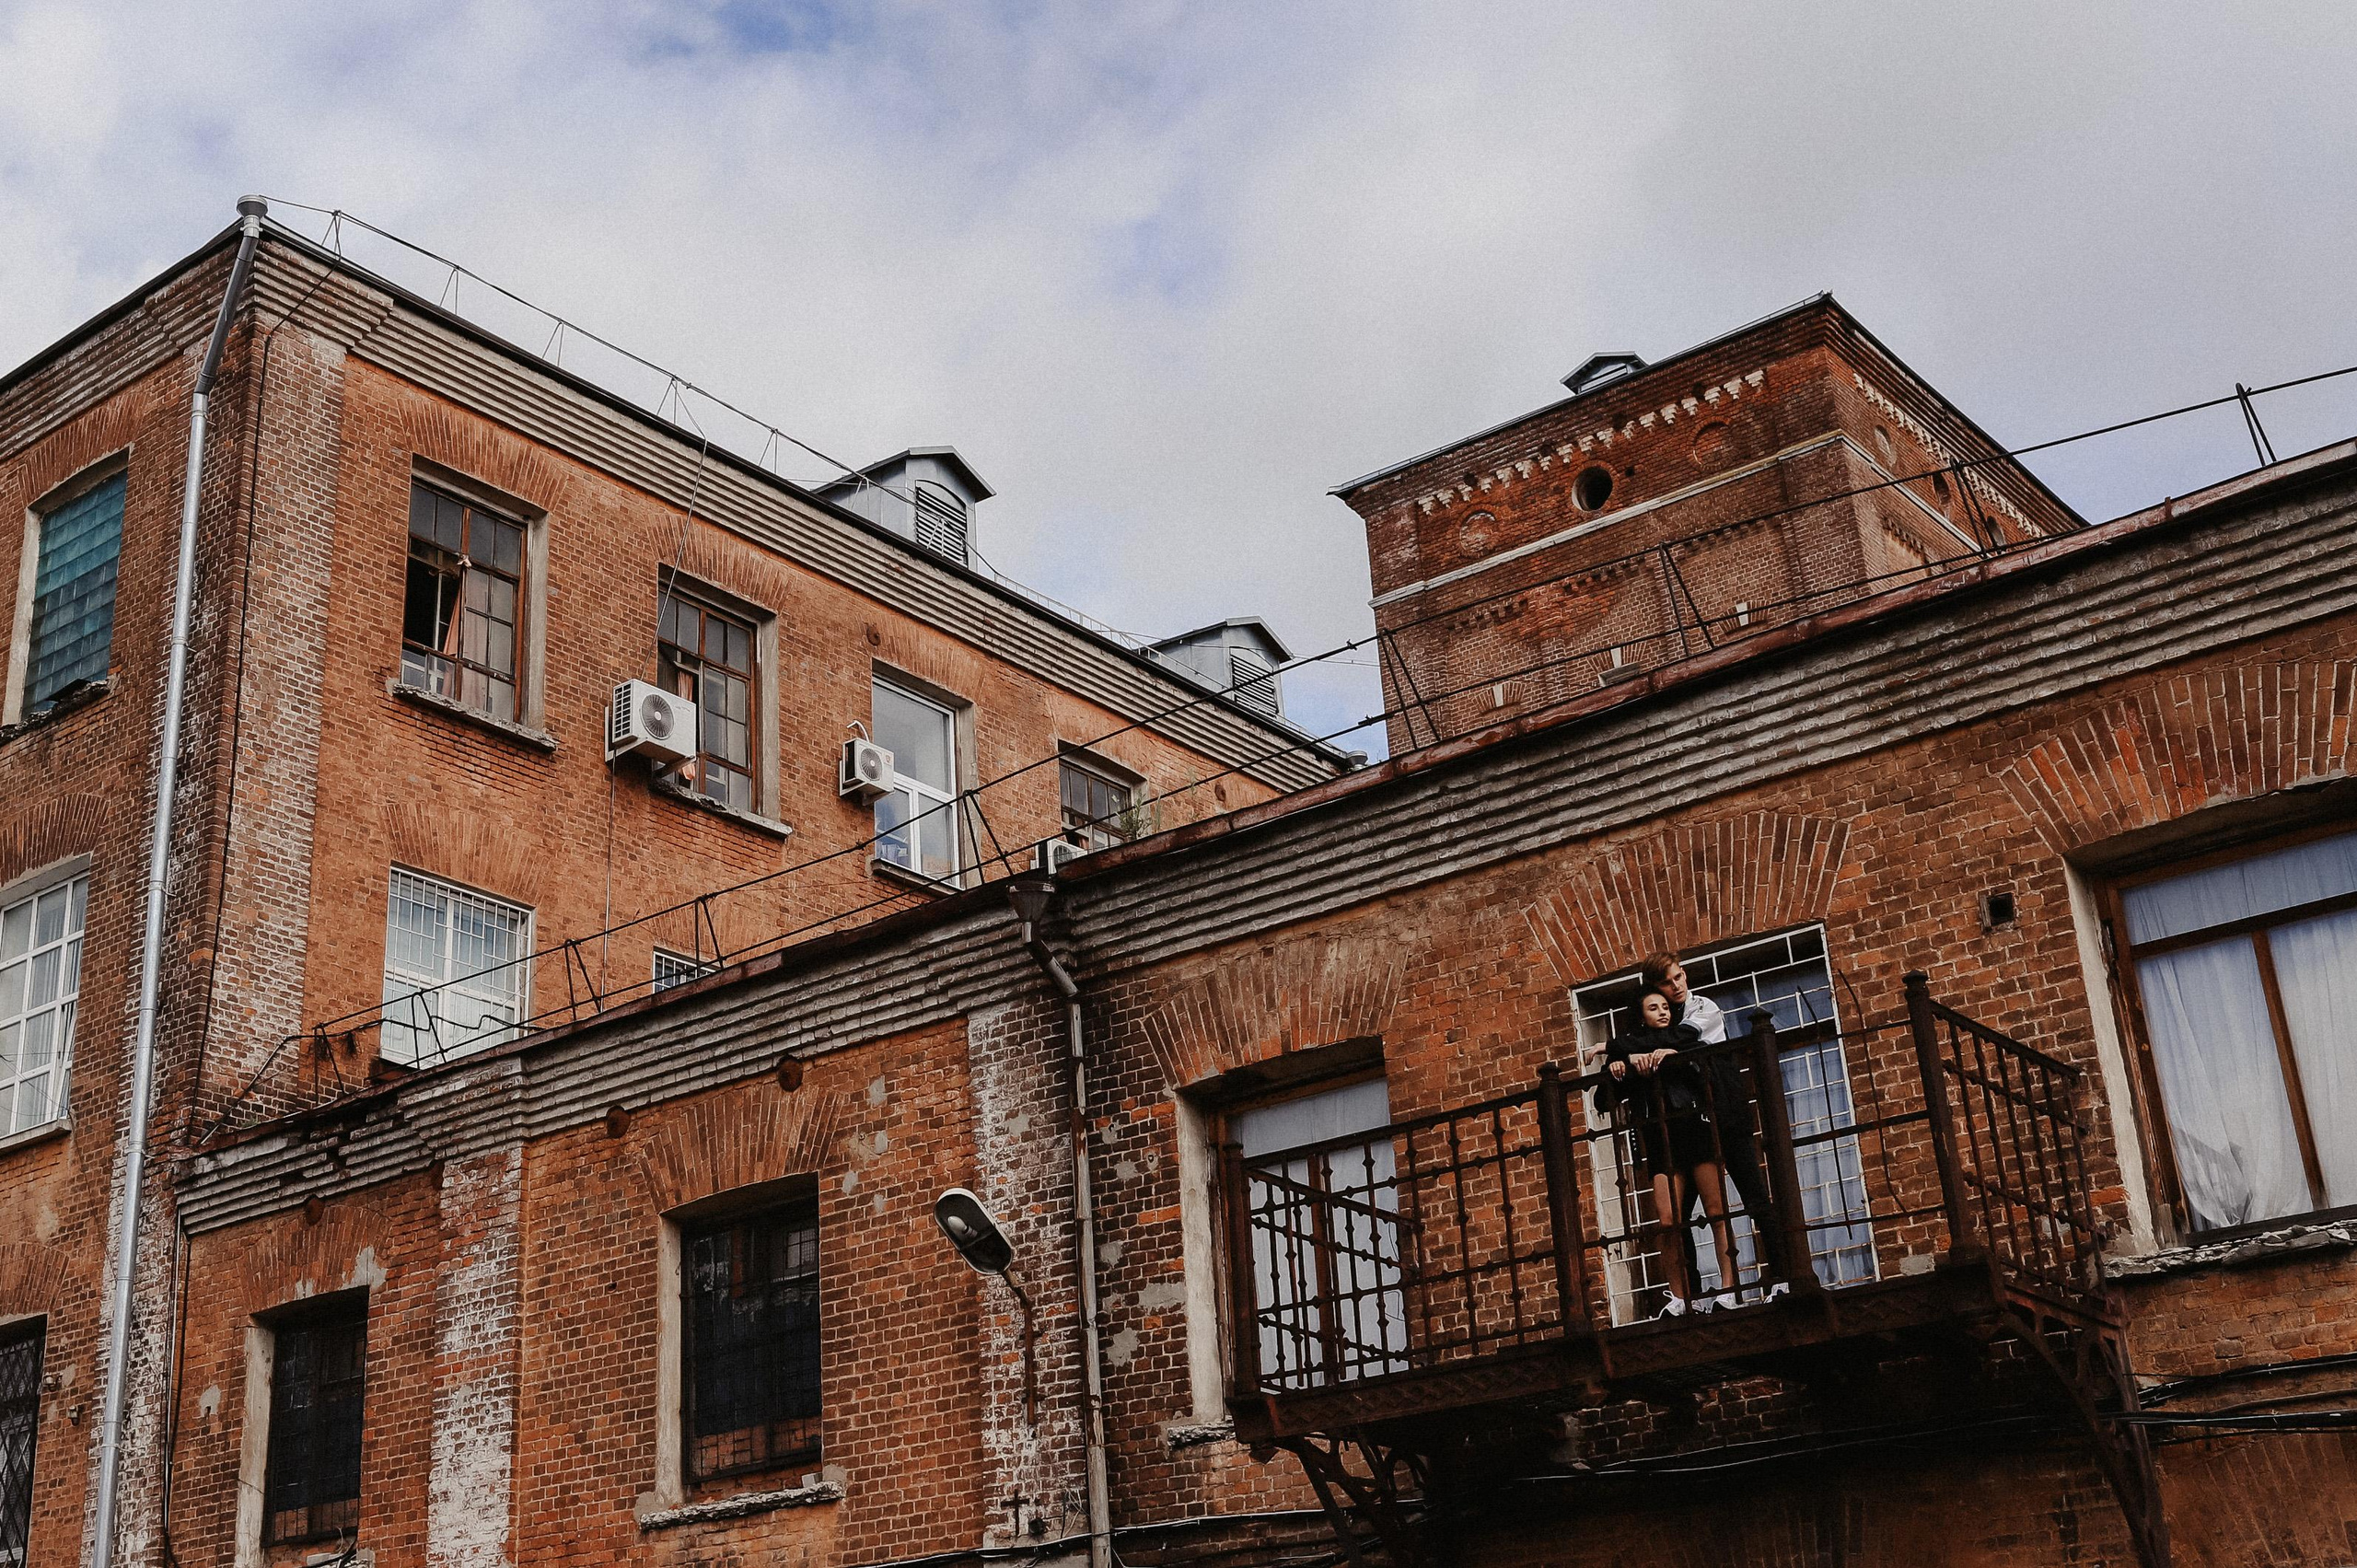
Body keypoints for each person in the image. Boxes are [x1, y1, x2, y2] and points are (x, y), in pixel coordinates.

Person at [1639, 950, 1795, 1293]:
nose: (1676, 986)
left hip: (1726, 1114)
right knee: (1681, 1217)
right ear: (1655, 988)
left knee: (1754, 1196)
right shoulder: (1661, 1019)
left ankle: (1782, 1278)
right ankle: (1689, 1295)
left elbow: (1685, 1039)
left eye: (1678, 976)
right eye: (1666, 983)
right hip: (1694, 1125)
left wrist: (1644, 1048)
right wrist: (1632, 1052)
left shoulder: (1703, 1007)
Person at [1605, 990, 1739, 1318]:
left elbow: (1704, 1065)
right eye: (1654, 1008)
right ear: (1640, 1015)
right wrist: (1619, 1066)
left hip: (1695, 1127)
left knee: (1716, 1210)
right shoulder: (1630, 1049)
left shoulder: (1684, 1040)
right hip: (1659, 1139)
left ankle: (1729, 1290)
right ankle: (1680, 1298)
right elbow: (1602, 1100)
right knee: (1668, 1221)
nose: (1663, 1012)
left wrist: (1669, 1053)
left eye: (1666, 1007)